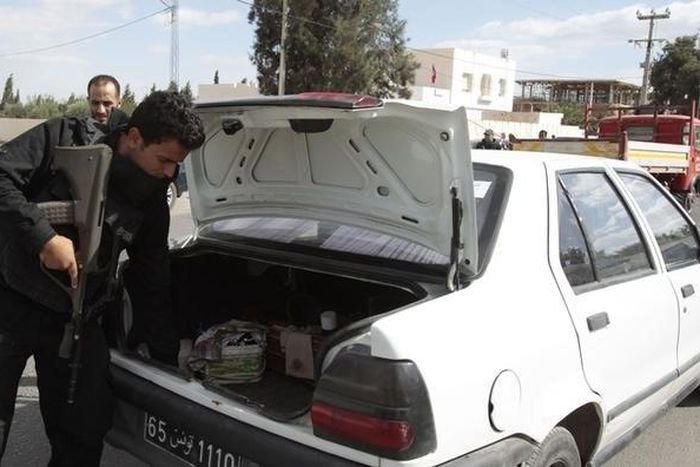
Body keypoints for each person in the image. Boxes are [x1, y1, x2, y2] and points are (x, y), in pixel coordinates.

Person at [0, 91, 205, 466]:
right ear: (134, 138)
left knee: (83, 434)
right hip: (10, 301)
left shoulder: (153, 200)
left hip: (78, 320)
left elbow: (151, 283)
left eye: (177, 165)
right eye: (164, 160)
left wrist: (166, 363)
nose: (170, 174)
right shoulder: (65, 136)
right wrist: (43, 236)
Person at [85, 74, 129, 144]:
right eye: (95, 103)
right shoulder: (77, 134)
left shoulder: (130, 138)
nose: (101, 110)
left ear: (119, 102)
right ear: (89, 102)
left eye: (107, 104)